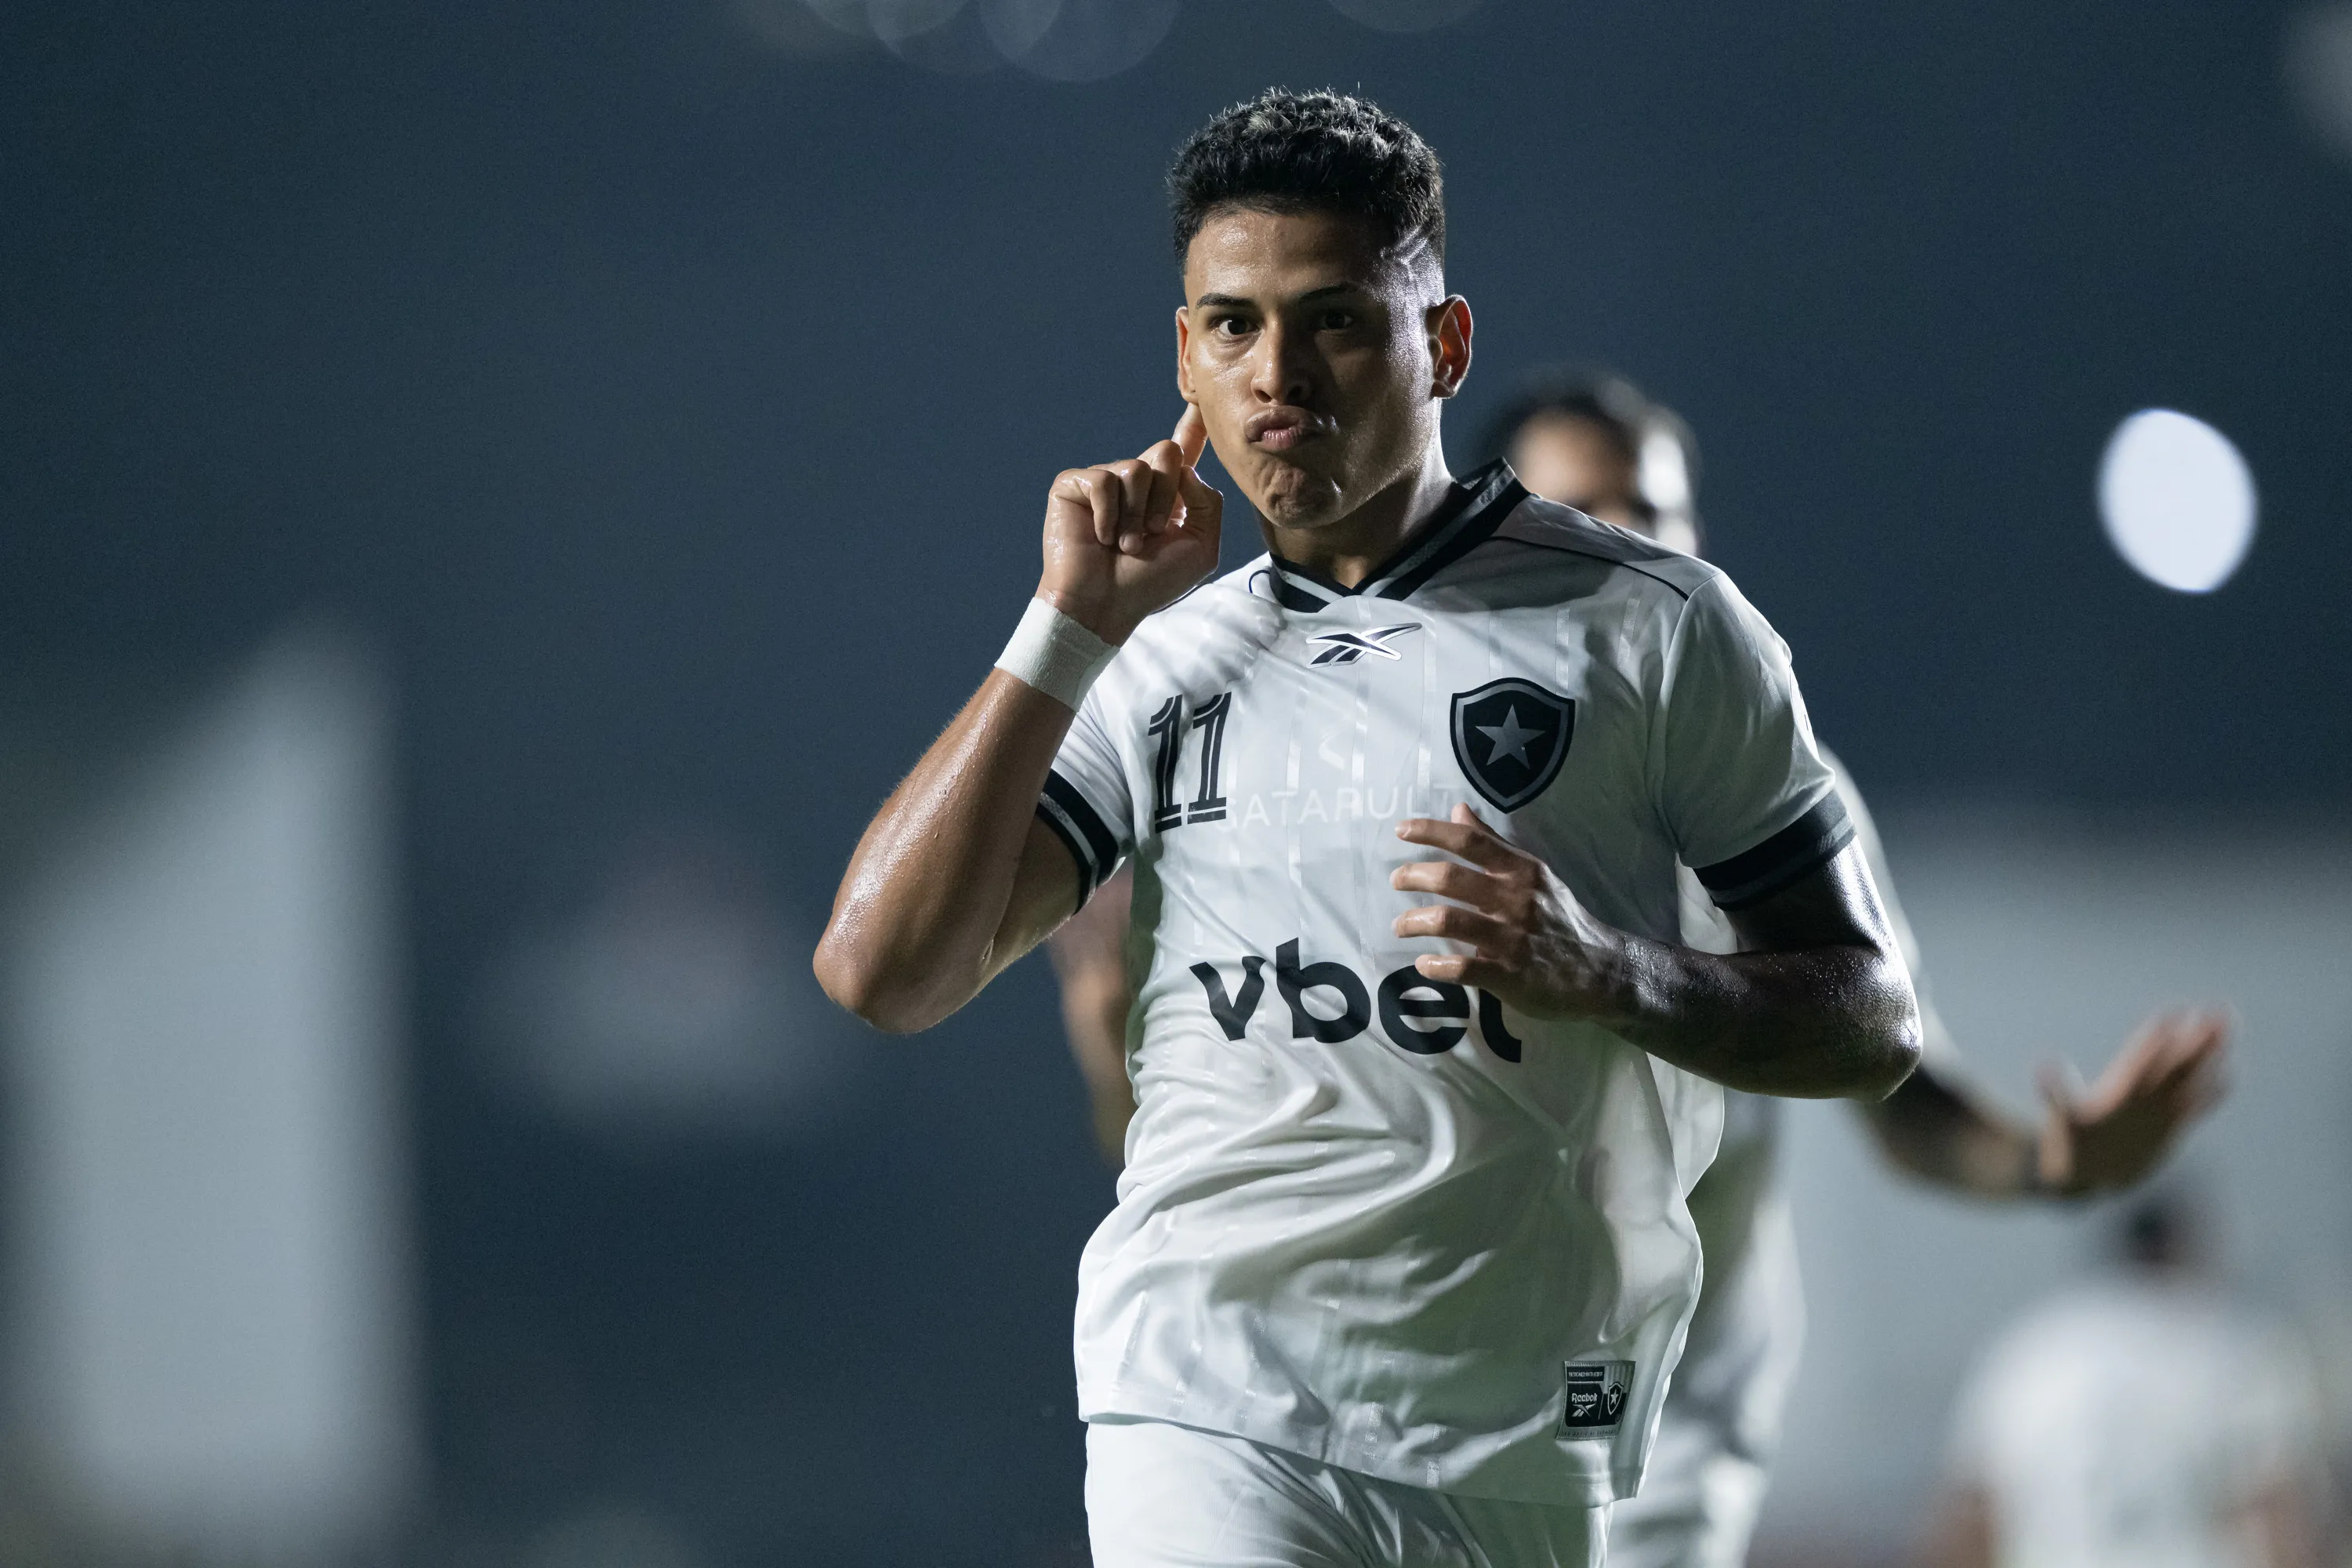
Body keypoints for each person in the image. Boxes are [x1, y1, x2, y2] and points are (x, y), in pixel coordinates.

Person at [815, 89, 1921, 1568]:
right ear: (1186, 358)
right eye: (1232, 326)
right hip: (1208, 1399)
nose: (1277, 374)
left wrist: (1609, 974)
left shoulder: (1657, 628)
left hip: (1521, 1432)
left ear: (1443, 346)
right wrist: (1063, 625)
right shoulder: (1153, 658)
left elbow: (1869, 1019)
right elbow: (882, 974)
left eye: (1333, 321)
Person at [1051, 366, 2234, 1568]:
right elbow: (1209, 1140)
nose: (1628, 540)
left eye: (1656, 512)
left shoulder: (1770, 797)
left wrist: (2054, 1164)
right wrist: (1113, 1049)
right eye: (1586, 511)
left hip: (1660, 1432)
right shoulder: (1390, 771)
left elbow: (1895, 1081)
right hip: (1415, 1402)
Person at [1929, 1192, 2321, 1568]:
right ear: (2184, 1247)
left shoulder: (2030, 1350)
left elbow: (1971, 1512)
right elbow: (2277, 1508)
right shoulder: (2236, 1345)